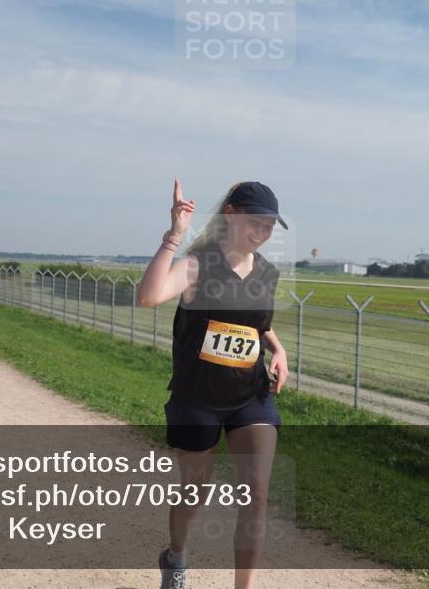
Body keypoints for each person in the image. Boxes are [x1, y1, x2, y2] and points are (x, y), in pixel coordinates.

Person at [137, 180, 290, 589]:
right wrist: (175, 236)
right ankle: (175, 557)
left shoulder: (267, 273)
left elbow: (257, 322)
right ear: (231, 214)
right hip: (197, 398)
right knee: (194, 491)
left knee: (256, 492)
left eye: (270, 227)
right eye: (255, 222)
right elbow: (148, 297)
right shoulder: (197, 265)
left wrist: (278, 349)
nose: (262, 232)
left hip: (249, 397)